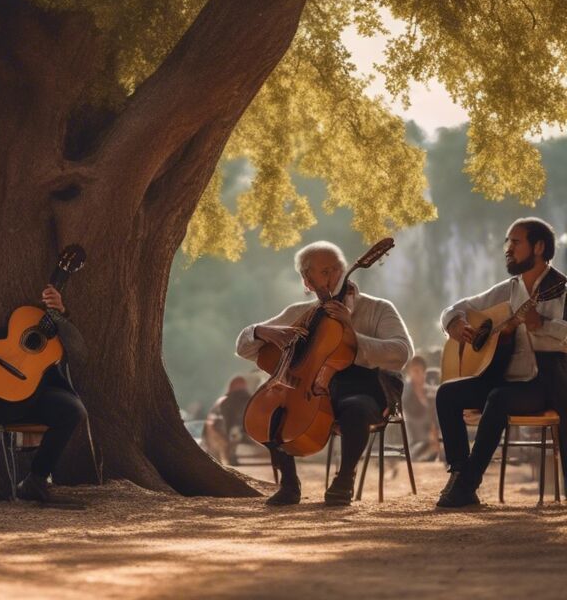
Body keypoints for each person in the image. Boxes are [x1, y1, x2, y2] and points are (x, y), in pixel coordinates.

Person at [236, 241, 412, 506]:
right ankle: (289, 484)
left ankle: (344, 479)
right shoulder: (299, 312)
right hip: (317, 390)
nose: (335, 277)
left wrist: (350, 331)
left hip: (366, 387)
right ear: (307, 281)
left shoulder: (379, 309)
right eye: (325, 272)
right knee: (272, 411)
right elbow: (245, 348)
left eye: (337, 270)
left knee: (356, 408)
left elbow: (401, 353)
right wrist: (262, 331)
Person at [435, 218, 567, 508]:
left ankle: (467, 484)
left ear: (539, 246)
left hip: (544, 383)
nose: (508, 249)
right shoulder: (510, 289)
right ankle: (459, 472)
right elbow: (456, 307)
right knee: (447, 394)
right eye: (507, 242)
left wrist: (542, 324)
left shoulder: (561, 290)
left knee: (498, 398)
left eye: (515, 242)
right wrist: (453, 323)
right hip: (503, 379)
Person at [0, 282, 91, 509]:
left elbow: (80, 352)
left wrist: (62, 314)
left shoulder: (58, 338)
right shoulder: (20, 318)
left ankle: (35, 481)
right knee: (71, 408)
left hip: (29, 395)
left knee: (74, 410)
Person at [204, 375, 254, 465]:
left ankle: (228, 460)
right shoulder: (233, 400)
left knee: (222, 451)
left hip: (220, 429)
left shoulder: (226, 399)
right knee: (228, 442)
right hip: (220, 429)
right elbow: (229, 418)